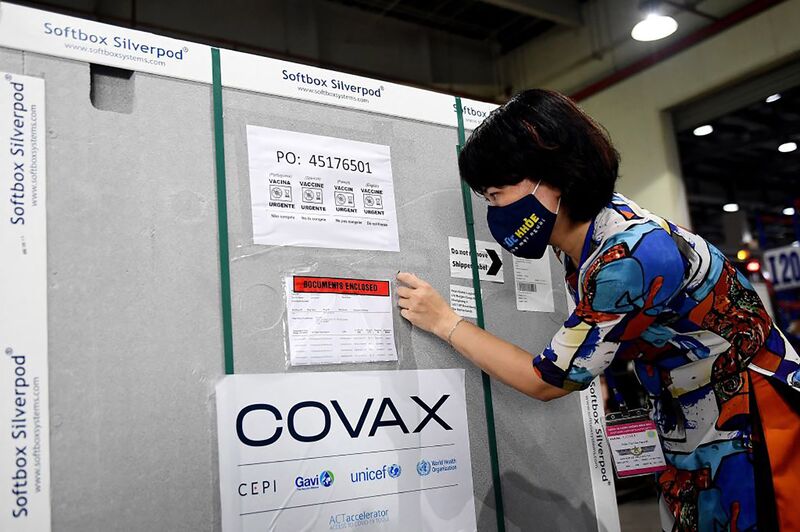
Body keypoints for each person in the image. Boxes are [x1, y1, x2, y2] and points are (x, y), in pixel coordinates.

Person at [396, 89, 800, 531]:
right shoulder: (581, 241)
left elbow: (546, 379)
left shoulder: (627, 257)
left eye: (495, 195)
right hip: (689, 415)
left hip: (751, 420)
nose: (492, 210)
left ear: (552, 179)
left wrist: (445, 321)